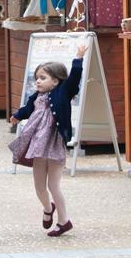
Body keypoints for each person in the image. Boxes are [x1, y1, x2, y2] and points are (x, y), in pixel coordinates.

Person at [8, 44, 87, 237]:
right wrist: (17, 116)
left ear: (56, 81)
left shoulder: (63, 92)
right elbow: (28, 109)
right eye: (37, 78)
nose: (38, 82)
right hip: (37, 145)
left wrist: (78, 58)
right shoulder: (36, 96)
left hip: (54, 144)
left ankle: (64, 220)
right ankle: (47, 208)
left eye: (42, 78)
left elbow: (75, 78)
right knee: (39, 186)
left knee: (54, 185)